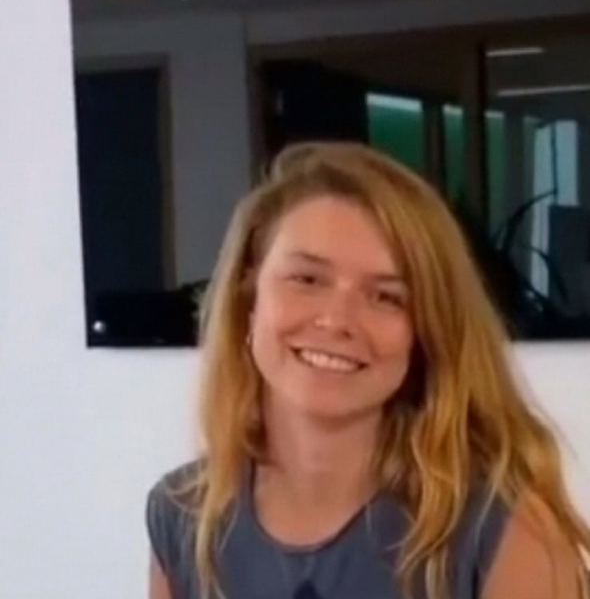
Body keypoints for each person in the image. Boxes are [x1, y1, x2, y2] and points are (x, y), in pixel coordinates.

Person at [145, 141, 590, 598]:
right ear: (248, 299)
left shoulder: (506, 531)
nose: (337, 320)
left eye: (386, 297)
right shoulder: (180, 515)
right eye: (307, 279)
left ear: (426, 332)